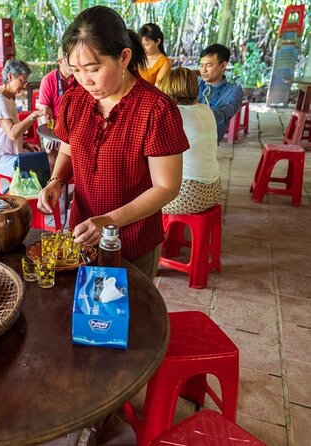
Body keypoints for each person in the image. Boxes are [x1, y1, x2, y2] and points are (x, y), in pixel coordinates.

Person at [37, 6, 189, 279]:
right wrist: (55, 181)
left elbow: (167, 186)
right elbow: (70, 148)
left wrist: (108, 222)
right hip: (82, 234)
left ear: (124, 57)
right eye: (76, 71)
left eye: (94, 69)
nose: (85, 80)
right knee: (84, 309)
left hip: (133, 240)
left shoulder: (155, 109)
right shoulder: (74, 100)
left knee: (131, 317)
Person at [159, 68, 221, 215]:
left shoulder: (173, 114)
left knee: (135, 195)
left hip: (187, 195)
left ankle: (147, 236)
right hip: (213, 190)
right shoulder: (206, 109)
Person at [0, 59, 46, 178]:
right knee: (41, 168)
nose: (24, 86)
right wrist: (33, 115)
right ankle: (19, 195)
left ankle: (28, 194)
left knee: (43, 158)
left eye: (25, 81)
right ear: (10, 77)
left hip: (11, 154)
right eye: (21, 80)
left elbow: (7, 134)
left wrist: (25, 144)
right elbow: (12, 133)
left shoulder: (8, 98)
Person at [197, 43, 244, 143]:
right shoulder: (194, 83)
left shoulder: (233, 91)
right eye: (201, 65)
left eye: (208, 65)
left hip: (207, 142)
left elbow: (222, 117)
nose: (203, 70)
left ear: (223, 66)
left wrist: (193, 106)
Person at [38, 46, 78, 154]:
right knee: (51, 148)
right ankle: (53, 171)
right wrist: (52, 133)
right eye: (68, 60)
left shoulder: (79, 77)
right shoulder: (48, 80)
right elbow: (44, 111)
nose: (73, 63)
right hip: (54, 125)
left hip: (76, 125)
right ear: (60, 61)